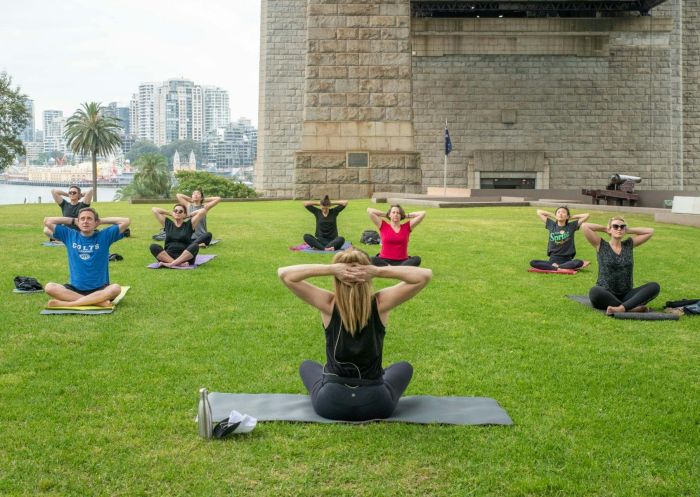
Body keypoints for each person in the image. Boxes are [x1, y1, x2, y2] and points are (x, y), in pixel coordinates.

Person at [278, 247, 432, 421]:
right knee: (404, 367)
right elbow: (424, 276)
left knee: (307, 365)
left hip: (330, 404)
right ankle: (371, 378)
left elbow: (285, 274)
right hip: (376, 404)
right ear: (367, 276)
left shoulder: (328, 303)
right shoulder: (381, 303)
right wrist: (378, 271)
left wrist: (330, 269)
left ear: (337, 278)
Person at [42, 208, 130, 307]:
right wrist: (72, 220)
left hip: (100, 289)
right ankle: (97, 302)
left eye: (89, 219)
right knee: (49, 287)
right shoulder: (69, 235)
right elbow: (47, 221)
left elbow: (126, 221)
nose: (85, 221)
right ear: (78, 222)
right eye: (82, 219)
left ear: (95, 222)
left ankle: (70, 304)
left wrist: (101, 221)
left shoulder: (105, 236)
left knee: (115, 288)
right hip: (75, 288)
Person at [581, 217, 659, 314]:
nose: (619, 229)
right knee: (594, 291)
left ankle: (622, 308)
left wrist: (628, 230)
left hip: (627, 294)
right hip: (606, 293)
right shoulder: (601, 245)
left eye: (622, 227)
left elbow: (650, 231)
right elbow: (585, 226)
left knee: (654, 286)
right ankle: (630, 307)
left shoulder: (628, 245)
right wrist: (606, 229)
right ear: (610, 228)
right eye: (615, 226)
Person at [149, 202, 217, 267]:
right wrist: (170, 213)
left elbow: (203, 211)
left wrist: (189, 215)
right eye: (175, 211)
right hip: (168, 255)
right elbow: (154, 209)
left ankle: (171, 264)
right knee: (153, 246)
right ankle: (178, 264)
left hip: (185, 256)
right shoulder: (168, 224)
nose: (177, 213)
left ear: (184, 214)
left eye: (180, 211)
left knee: (195, 246)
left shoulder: (189, 224)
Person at [530, 206, 589, 271]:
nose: (560, 213)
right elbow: (539, 212)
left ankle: (557, 267)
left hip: (567, 260)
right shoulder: (552, 224)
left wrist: (570, 217)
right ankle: (558, 267)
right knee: (533, 262)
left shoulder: (571, 226)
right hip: (553, 260)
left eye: (563, 212)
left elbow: (586, 215)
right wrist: (554, 215)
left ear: (567, 216)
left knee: (579, 262)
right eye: (558, 212)